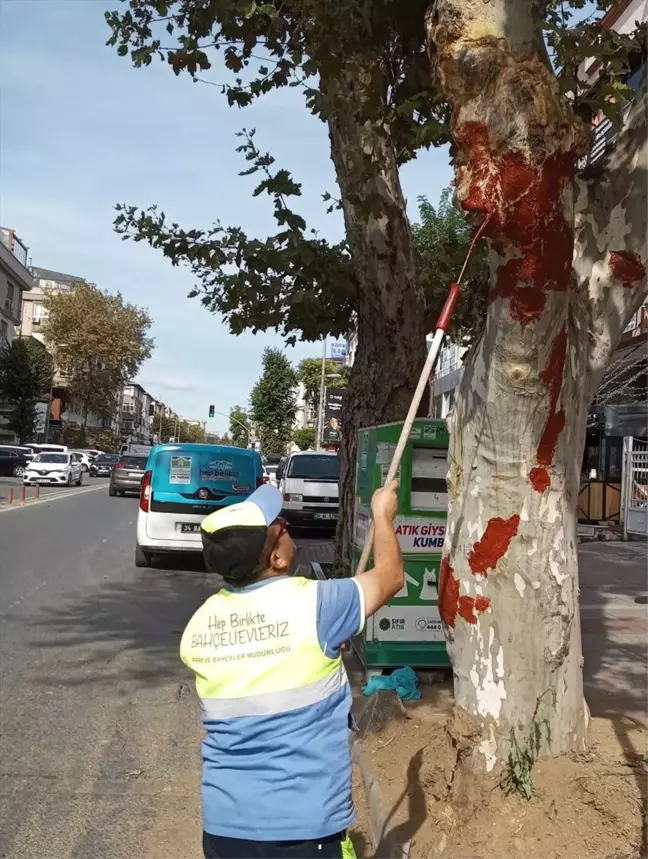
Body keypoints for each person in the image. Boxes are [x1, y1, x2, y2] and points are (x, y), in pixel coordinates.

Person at [180, 480, 403, 859]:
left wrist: (324, 650)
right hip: (304, 830)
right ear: (277, 558)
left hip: (224, 829)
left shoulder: (199, 625)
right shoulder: (318, 605)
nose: (288, 527)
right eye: (282, 526)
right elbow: (391, 577)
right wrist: (383, 514)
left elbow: (265, 661)